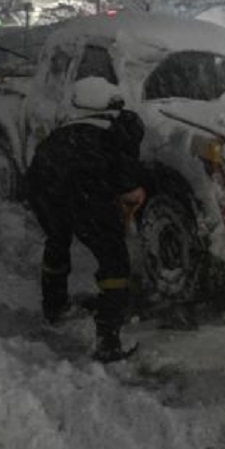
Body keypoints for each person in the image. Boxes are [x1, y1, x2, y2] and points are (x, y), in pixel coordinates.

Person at [25, 108, 147, 363]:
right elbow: (126, 192)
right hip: (79, 191)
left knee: (57, 241)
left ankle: (54, 306)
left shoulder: (86, 131)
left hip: (40, 184)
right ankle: (108, 341)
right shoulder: (115, 148)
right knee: (114, 260)